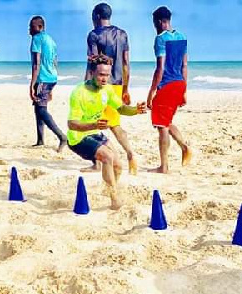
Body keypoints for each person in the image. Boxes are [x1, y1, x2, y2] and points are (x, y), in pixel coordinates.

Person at [67, 55, 146, 210]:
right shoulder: (79, 92)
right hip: (77, 138)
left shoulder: (108, 89)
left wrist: (136, 110)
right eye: (101, 74)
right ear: (92, 72)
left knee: (118, 165)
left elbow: (121, 108)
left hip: (95, 133)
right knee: (107, 157)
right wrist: (93, 125)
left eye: (107, 75)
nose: (104, 78)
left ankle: (107, 188)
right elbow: (71, 124)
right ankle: (114, 199)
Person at [85, 3, 137, 175]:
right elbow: (126, 64)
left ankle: (97, 163)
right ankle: (130, 153)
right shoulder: (122, 34)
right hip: (118, 84)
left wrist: (87, 85)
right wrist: (125, 89)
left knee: (91, 122)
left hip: (101, 85)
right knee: (114, 124)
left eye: (93, 16)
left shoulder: (94, 35)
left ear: (98, 16)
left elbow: (93, 62)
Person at [147, 6, 192, 174]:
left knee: (161, 125)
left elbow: (160, 68)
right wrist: (184, 90)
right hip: (180, 83)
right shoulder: (182, 37)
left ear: (159, 21)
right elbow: (185, 65)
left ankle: (164, 166)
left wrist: (151, 92)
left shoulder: (160, 39)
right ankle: (185, 147)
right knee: (165, 120)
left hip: (166, 84)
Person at [29, 16, 66, 152]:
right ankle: (40, 140)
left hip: (43, 78)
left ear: (40, 27)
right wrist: (51, 86)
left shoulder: (37, 39)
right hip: (52, 77)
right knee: (38, 107)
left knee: (41, 109)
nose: (29, 30)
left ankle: (62, 136)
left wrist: (32, 84)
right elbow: (55, 61)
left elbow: (36, 64)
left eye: (32, 27)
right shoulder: (51, 40)